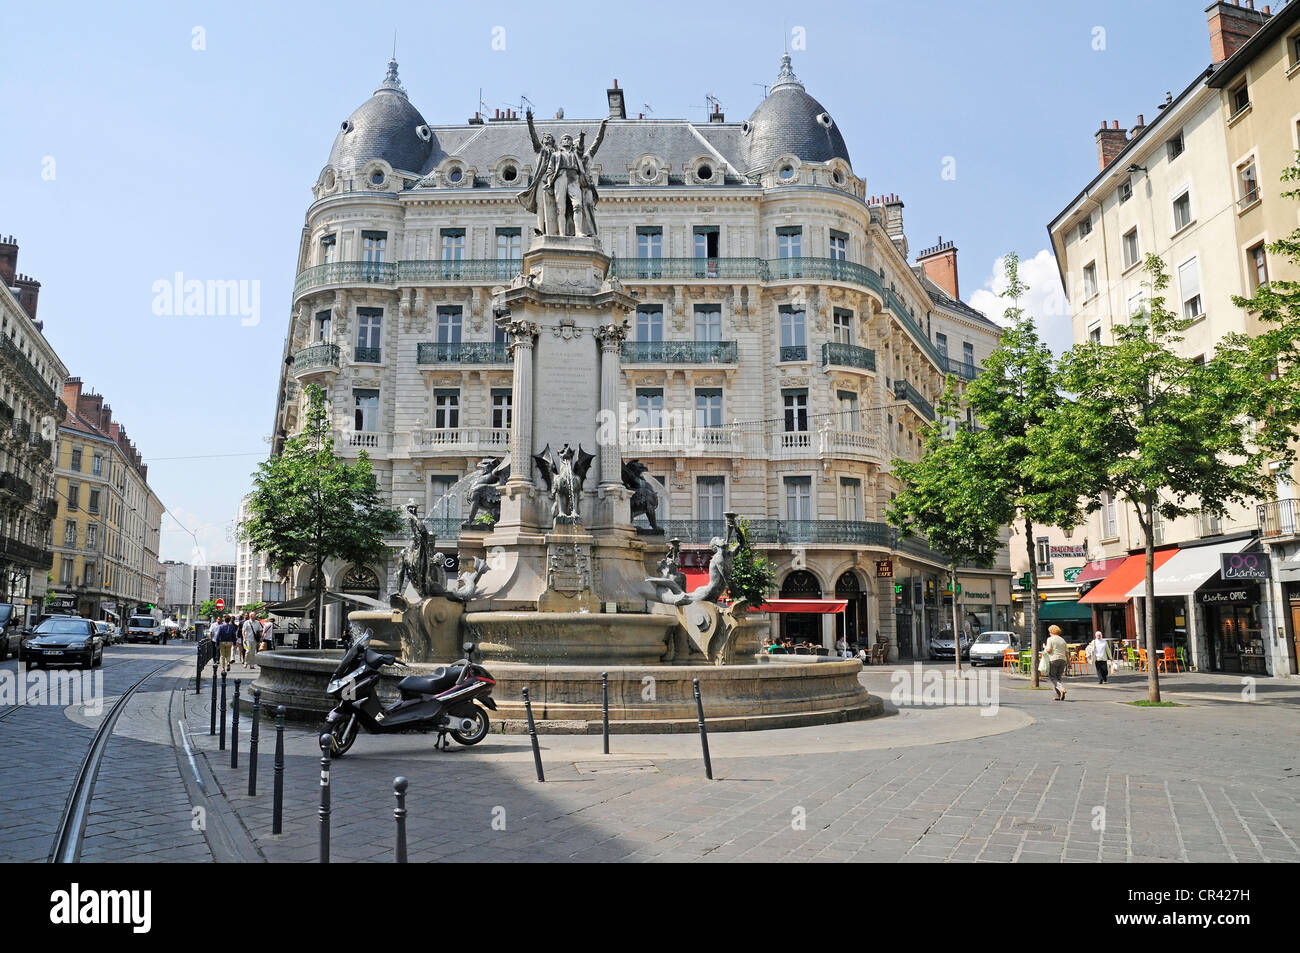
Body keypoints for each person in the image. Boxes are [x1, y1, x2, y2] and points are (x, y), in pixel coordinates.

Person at [1044, 624, 1070, 700]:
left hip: (1054, 659)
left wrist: (1044, 647)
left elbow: (1049, 650)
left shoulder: (1050, 639)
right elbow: (1066, 653)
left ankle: (1062, 689)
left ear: (1051, 631)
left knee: (1052, 677)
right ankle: (1058, 696)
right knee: (1058, 678)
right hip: (1063, 660)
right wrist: (1069, 663)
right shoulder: (1062, 640)